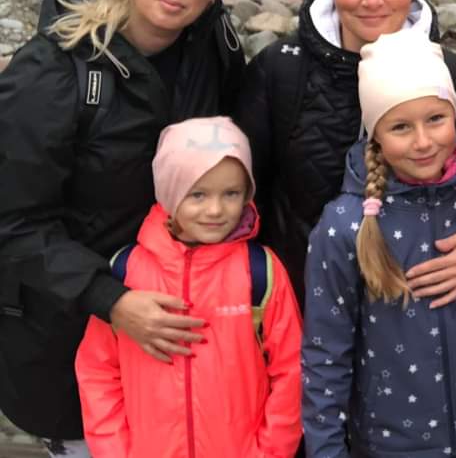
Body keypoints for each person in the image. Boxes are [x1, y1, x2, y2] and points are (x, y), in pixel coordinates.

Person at [0, 0, 245, 456]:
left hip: (180, 340)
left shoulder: (212, 50)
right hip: (70, 343)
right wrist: (111, 299)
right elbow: (13, 223)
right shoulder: (51, 72)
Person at [235, 0, 456, 306]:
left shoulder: (449, 74)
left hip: (418, 315)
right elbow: (240, 199)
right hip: (304, 311)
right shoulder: (281, 71)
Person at [302, 30, 456, 458]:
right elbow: (325, 354)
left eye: (436, 119)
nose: (423, 141)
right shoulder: (344, 225)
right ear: (375, 134)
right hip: (389, 444)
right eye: (400, 127)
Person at [75, 116, 302, 458]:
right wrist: (115, 452)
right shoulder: (125, 271)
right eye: (197, 194)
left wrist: (270, 452)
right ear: (169, 194)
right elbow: (98, 370)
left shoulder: (261, 272)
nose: (215, 209)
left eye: (231, 193)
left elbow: (291, 370)